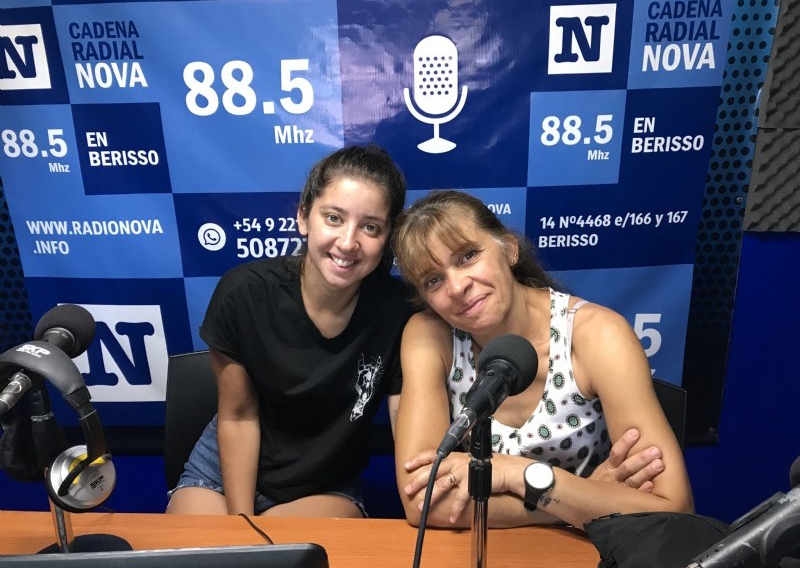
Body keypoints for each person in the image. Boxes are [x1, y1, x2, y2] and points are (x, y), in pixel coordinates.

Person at [391, 190, 693, 529]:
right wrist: (581, 498)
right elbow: (422, 501)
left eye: (467, 256)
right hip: (507, 544)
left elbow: (673, 507)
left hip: (590, 549)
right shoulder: (431, 335)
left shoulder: (596, 334)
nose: (457, 286)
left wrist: (515, 474)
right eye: (434, 280)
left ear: (509, 249)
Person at [166, 145, 413, 517]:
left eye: (370, 227)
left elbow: (406, 427)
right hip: (220, 474)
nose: (348, 242)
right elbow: (238, 416)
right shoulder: (243, 293)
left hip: (325, 485)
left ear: (388, 237)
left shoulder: (400, 311)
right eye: (333, 218)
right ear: (303, 217)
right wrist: (241, 524)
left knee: (285, 558)